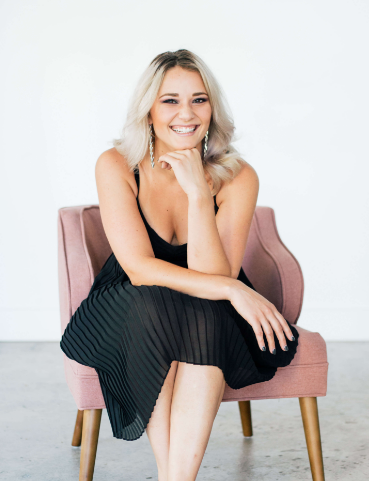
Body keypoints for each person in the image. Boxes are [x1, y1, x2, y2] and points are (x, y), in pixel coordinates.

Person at [60, 49, 299, 481]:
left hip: (208, 300)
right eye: (170, 100)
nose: (185, 113)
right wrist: (234, 290)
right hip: (130, 300)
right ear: (148, 110)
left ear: (212, 108)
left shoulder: (238, 175)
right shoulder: (116, 164)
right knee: (157, 308)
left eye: (199, 99)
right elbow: (139, 269)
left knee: (204, 316)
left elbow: (214, 275)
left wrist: (196, 193)